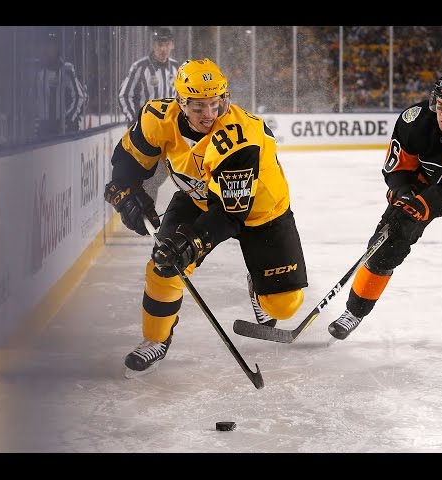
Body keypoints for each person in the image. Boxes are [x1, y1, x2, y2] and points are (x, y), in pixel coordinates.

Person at [105, 58, 308, 377]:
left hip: (261, 210)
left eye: (216, 103)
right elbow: (129, 160)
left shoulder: (241, 135)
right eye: (199, 106)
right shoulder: (158, 117)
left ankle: (259, 285)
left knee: (284, 306)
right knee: (165, 264)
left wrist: (193, 242)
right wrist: (126, 189)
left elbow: (231, 213)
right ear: (181, 102)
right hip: (198, 199)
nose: (210, 114)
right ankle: (155, 339)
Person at [328, 68, 442, 342]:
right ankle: (353, 312)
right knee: (386, 243)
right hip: (423, 183)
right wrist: (403, 193)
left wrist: (423, 206)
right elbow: (397, 168)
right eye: (440, 105)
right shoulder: (413, 120)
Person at [118, 27, 180, 205]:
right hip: (146, 134)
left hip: (169, 135)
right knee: (147, 178)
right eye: (160, 44)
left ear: (172, 45)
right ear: (153, 45)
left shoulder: (177, 69)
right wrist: (134, 121)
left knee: (162, 177)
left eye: (166, 44)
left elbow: (183, 100)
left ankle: (148, 211)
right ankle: (143, 214)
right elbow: (124, 95)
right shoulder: (140, 67)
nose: (163, 49)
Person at [32, 29, 89, 138]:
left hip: (61, 128)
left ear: (57, 48)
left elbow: (80, 97)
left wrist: (67, 120)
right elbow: (33, 98)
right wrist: (36, 121)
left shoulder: (66, 69)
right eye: (46, 45)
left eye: (51, 45)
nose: (47, 49)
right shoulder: (38, 71)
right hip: (43, 128)